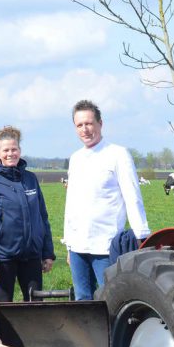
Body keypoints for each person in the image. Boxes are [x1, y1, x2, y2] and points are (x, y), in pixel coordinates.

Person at [63, 100, 150, 300]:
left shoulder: (118, 154)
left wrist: (141, 236)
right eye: (79, 125)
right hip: (78, 246)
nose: (85, 129)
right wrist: (69, 245)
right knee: (82, 300)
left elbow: (132, 196)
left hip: (105, 245)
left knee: (111, 300)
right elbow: (71, 203)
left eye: (89, 123)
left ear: (100, 123)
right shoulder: (75, 158)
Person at [0, 126, 54, 302]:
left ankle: (32, 331)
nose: (11, 153)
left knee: (35, 306)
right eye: (6, 150)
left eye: (14, 149)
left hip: (32, 255)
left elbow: (42, 217)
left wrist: (47, 253)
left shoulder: (30, 179)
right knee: (4, 308)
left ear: (20, 150)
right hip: (3, 258)